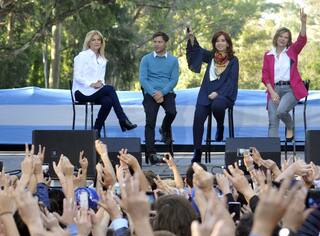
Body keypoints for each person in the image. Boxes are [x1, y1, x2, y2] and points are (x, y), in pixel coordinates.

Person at [186, 29, 239, 163]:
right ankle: (197, 151)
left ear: (228, 43)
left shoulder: (233, 60)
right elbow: (197, 51)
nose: (220, 43)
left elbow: (231, 81)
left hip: (224, 94)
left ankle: (220, 126)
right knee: (198, 119)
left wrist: (219, 93)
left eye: (223, 40)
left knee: (217, 105)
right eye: (217, 41)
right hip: (206, 93)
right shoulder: (211, 56)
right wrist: (192, 38)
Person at [72, 30, 137, 137]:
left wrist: (100, 84)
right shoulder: (82, 56)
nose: (96, 42)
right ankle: (123, 119)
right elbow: (77, 77)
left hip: (94, 92)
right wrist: (92, 84)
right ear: (89, 42)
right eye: (93, 40)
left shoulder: (102, 60)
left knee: (108, 101)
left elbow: (101, 80)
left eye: (99, 40)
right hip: (82, 92)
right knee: (110, 89)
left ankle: (96, 130)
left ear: (102, 43)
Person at [262, 9, 308, 140]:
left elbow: (302, 40)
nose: (283, 39)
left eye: (286, 37)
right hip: (274, 90)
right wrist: (272, 92)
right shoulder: (268, 55)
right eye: (281, 36)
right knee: (273, 121)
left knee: (281, 111)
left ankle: (290, 125)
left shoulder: (292, 50)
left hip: (291, 89)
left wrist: (303, 23)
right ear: (276, 37)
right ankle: (272, 157)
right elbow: (264, 76)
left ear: (288, 40)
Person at [139, 31, 179, 165]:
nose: (156, 44)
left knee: (172, 112)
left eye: (159, 42)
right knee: (150, 121)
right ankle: (151, 153)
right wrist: (154, 93)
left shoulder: (173, 60)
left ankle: (164, 128)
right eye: (155, 42)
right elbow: (143, 79)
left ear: (165, 43)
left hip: (166, 92)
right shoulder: (146, 59)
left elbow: (174, 80)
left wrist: (162, 93)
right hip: (150, 93)